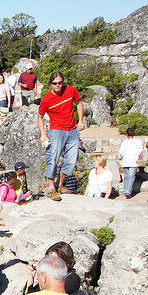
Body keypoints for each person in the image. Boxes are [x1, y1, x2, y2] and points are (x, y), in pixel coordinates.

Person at [37, 71, 85, 200]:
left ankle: (60, 184)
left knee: (71, 159)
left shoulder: (70, 90)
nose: (58, 85)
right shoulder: (47, 99)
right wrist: (43, 134)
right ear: (50, 84)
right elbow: (40, 117)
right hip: (57, 130)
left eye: (60, 83)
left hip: (72, 129)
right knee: (53, 158)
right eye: (55, 83)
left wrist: (80, 120)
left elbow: (79, 102)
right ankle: (51, 188)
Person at [24, 241, 104, 295]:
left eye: (54, 260)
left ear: (66, 263)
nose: (50, 263)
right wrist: (31, 276)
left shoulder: (72, 278)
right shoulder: (50, 278)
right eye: (48, 259)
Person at [118, 128, 146, 198]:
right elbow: (140, 151)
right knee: (131, 177)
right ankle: (128, 191)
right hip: (133, 161)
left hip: (125, 161)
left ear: (126, 134)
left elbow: (121, 152)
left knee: (127, 177)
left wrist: (121, 157)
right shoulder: (137, 142)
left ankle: (126, 191)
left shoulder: (124, 142)